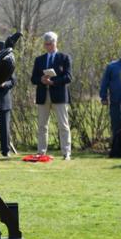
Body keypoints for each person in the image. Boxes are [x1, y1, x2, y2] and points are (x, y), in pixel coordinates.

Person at [30, 31, 72, 160]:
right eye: (46, 44)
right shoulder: (39, 59)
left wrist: (53, 82)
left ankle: (66, 153)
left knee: (63, 125)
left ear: (55, 43)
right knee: (42, 125)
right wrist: (41, 80)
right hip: (43, 95)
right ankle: (41, 152)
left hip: (59, 95)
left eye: (50, 43)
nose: (48, 46)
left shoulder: (64, 58)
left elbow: (68, 77)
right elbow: (33, 79)